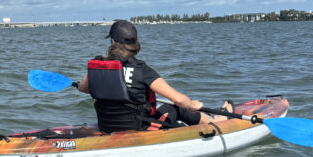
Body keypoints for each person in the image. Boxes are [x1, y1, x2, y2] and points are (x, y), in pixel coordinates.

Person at [76, 20, 231, 133]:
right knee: (178, 108)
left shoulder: (98, 65)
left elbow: (83, 89)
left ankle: (209, 120)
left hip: (107, 126)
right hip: (138, 129)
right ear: (135, 43)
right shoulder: (142, 70)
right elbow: (179, 99)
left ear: (113, 41)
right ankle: (215, 122)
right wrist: (193, 105)